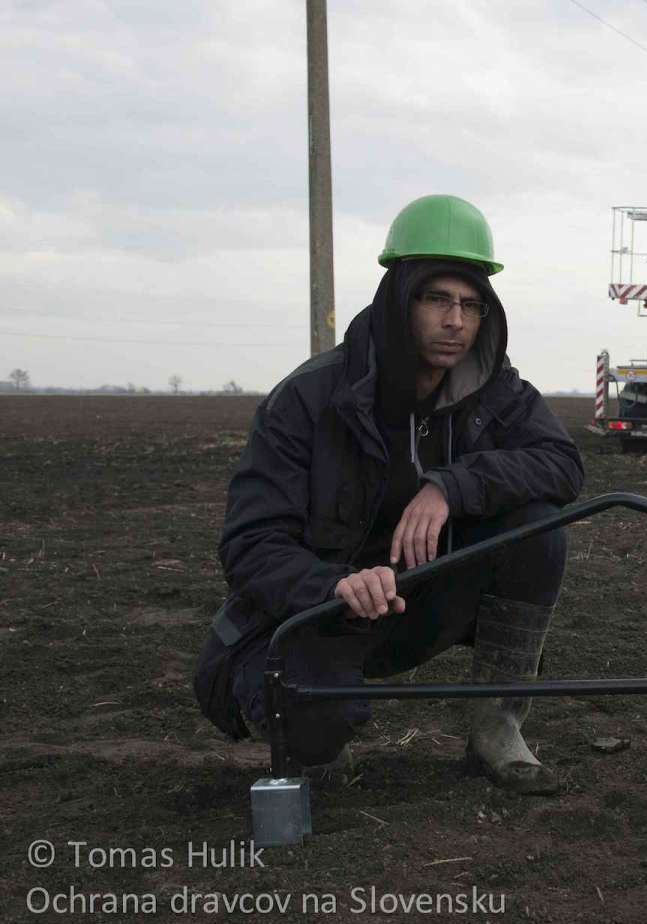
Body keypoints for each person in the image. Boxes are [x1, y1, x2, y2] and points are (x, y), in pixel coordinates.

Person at [193, 195, 584, 795]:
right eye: (436, 299)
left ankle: (497, 729)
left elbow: (561, 464)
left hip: (426, 599)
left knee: (537, 527)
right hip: (322, 613)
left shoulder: (496, 390)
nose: (456, 320)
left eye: (471, 304)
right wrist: (333, 586)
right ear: (398, 299)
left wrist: (451, 487)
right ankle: (313, 741)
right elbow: (250, 544)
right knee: (313, 728)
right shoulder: (306, 400)